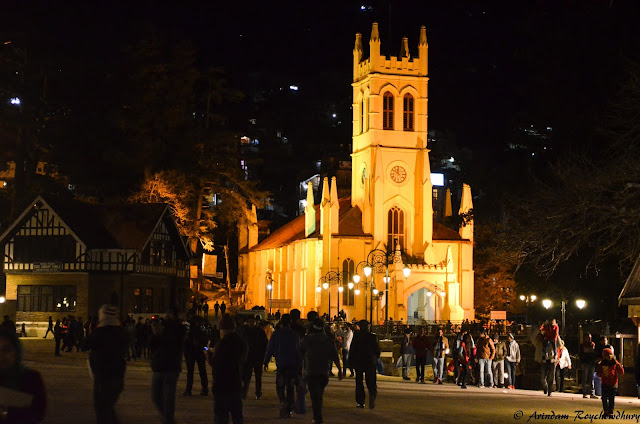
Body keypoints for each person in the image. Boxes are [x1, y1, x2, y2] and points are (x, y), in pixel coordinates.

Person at [86, 304, 129, 424]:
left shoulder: (99, 332)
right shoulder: (121, 332)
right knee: (108, 407)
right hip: (118, 374)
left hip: (102, 375)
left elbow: (86, 344)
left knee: (102, 408)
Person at [298, 318, 342, 424]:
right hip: (323, 372)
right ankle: (318, 415)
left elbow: (299, 349)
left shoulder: (307, 339)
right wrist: (340, 370)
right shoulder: (327, 340)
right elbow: (335, 356)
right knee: (319, 394)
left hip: (311, 371)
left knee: (314, 395)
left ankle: (317, 416)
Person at [207, 313, 248, 424]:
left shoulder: (222, 344)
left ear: (223, 330)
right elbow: (243, 358)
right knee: (237, 415)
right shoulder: (241, 342)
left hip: (222, 384)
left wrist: (209, 355)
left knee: (221, 416)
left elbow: (215, 363)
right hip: (235, 382)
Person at [0, 328, 47, 424]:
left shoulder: (31, 379)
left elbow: (38, 413)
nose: (1, 355)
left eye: (6, 350)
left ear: (16, 352)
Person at [150, 308, 186, 424]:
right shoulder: (163, 328)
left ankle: (168, 420)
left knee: (168, 398)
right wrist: (155, 333)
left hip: (171, 367)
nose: (166, 317)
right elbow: (151, 345)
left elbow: (173, 342)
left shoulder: (178, 328)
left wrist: (160, 332)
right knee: (156, 397)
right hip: (158, 366)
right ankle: (167, 419)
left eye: (168, 315)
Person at [264, 314, 302, 418]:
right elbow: (299, 351)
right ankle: (289, 409)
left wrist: (266, 361)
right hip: (292, 365)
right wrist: (300, 365)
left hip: (281, 364)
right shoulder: (295, 335)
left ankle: (283, 401)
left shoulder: (277, 334)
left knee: (280, 387)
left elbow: (270, 348)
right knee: (290, 387)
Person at [349, 320, 380, 408]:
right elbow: (377, 350)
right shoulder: (372, 337)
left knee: (359, 382)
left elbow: (352, 349)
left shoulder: (356, 336)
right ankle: (372, 395)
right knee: (370, 381)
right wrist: (376, 356)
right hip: (370, 362)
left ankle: (360, 401)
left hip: (359, 361)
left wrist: (351, 361)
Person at [241, 315, 268, 400]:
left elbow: (265, 345)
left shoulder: (260, 332)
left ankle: (258, 393)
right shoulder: (244, 331)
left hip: (257, 358)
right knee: (246, 377)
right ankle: (244, 393)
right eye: (250, 321)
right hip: (248, 358)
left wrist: (263, 356)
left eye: (253, 321)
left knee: (258, 377)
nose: (252, 323)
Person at [184, 316, 209, 397]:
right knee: (198, 371)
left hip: (195, 351)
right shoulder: (200, 328)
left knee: (197, 371)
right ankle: (202, 389)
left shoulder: (192, 328)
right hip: (196, 351)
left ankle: (190, 390)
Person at [596, 347, 624, 418]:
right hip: (605, 383)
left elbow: (621, 372)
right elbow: (598, 372)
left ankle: (610, 412)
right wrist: (602, 375)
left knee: (611, 398)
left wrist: (620, 366)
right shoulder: (602, 363)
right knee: (604, 398)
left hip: (613, 383)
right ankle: (606, 411)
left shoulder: (615, 363)